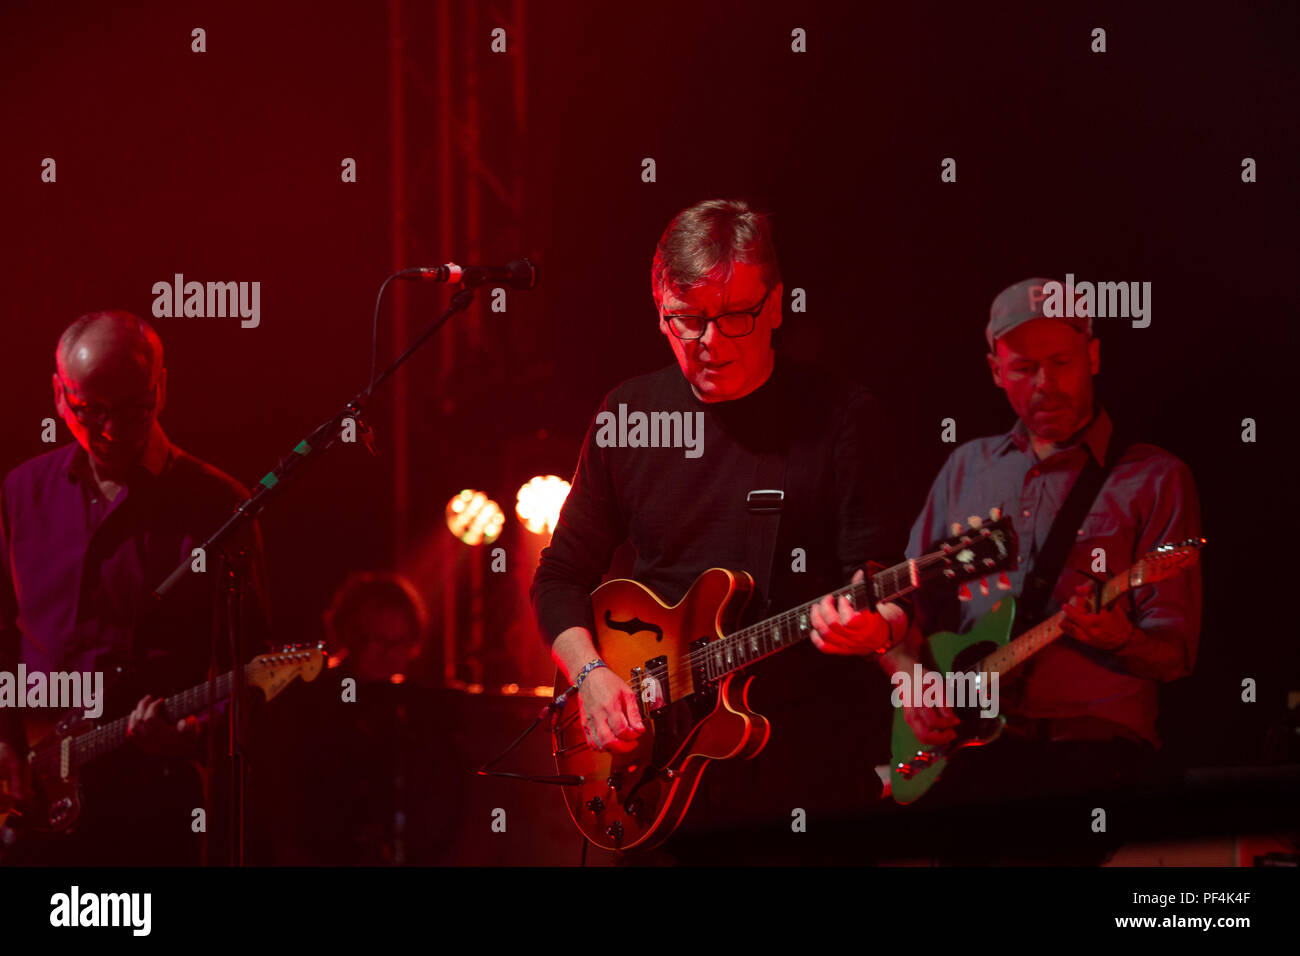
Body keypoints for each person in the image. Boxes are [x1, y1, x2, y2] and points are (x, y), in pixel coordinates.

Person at [530, 198, 909, 864]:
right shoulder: (628, 413)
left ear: (778, 305)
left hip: (805, 777)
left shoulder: (841, 417)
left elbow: (879, 578)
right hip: (654, 781)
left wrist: (879, 627)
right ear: (659, 310)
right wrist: (591, 675)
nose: (709, 342)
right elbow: (559, 576)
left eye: (736, 316)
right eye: (688, 320)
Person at [877, 278, 1202, 864]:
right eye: (1025, 367)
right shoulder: (965, 468)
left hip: (1094, 755)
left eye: (1062, 362)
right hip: (971, 758)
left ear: (1094, 356)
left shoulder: (1155, 477)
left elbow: (1176, 655)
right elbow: (899, 614)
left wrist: (1120, 637)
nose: (1046, 384)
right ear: (995, 370)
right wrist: (911, 683)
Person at [0, 310, 269, 865]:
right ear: (58, 394)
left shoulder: (218, 506)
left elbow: (254, 668)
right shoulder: (22, 492)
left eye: (133, 409)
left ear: (161, 388)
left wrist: (195, 730)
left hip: (151, 802)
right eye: (91, 411)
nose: (112, 431)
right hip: (31, 801)